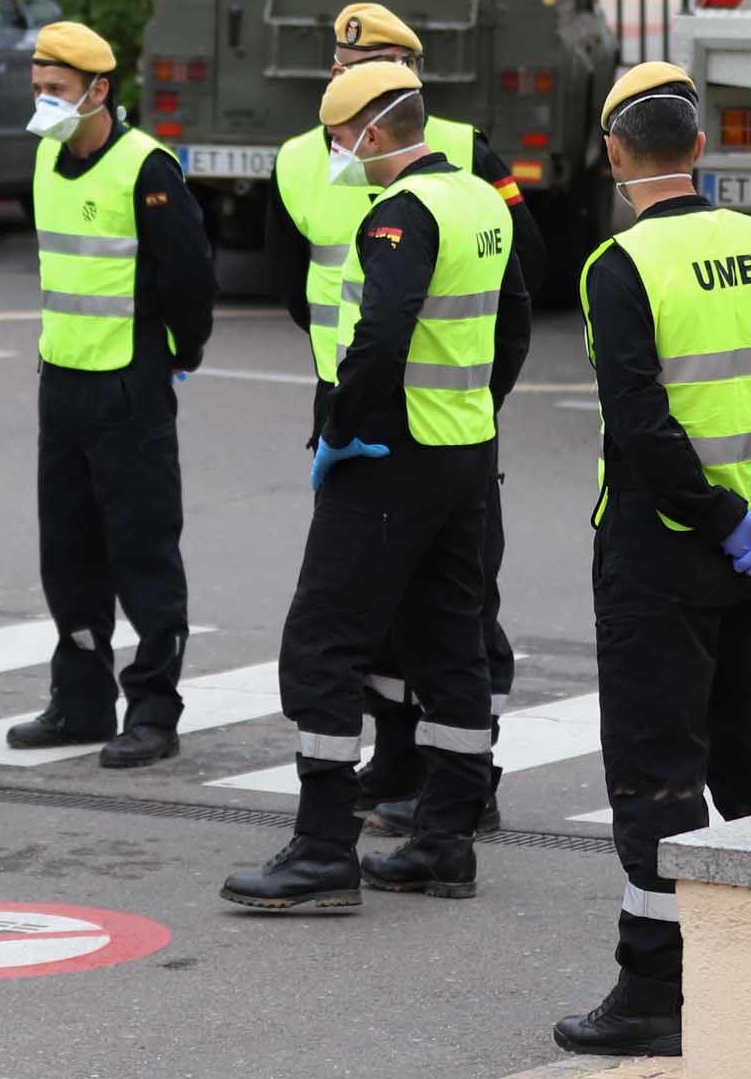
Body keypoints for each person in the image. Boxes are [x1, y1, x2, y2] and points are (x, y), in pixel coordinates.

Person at [554, 62, 751, 1057]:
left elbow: (639, 420)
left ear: (617, 154)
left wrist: (717, 514)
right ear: (702, 150)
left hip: (661, 548)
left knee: (657, 767)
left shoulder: (618, 265)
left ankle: (652, 990)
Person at [223, 60, 531, 913]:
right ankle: (444, 841)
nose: (335, 153)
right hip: (463, 448)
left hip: (391, 457)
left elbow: (380, 334)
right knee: (449, 644)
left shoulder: (401, 215)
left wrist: (343, 430)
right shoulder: (475, 198)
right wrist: (477, 406)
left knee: (324, 640)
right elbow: (514, 322)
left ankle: (323, 850)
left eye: (338, 138)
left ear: (371, 132)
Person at [4, 21, 215, 769]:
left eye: (55, 91)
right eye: (37, 90)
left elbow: (188, 277)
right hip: (61, 382)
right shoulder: (44, 159)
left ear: (98, 91)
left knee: (143, 554)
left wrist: (175, 356)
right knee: (68, 553)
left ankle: (154, 710)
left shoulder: (145, 168)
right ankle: (81, 699)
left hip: (129, 388)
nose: (43, 104)